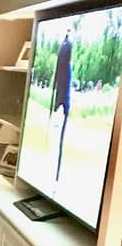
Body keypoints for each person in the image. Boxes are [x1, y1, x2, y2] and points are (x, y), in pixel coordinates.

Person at [50, 30, 73, 182]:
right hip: (62, 98)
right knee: (58, 137)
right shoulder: (66, 66)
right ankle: (56, 175)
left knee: (59, 137)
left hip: (61, 97)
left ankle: (56, 175)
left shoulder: (64, 65)